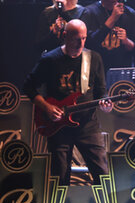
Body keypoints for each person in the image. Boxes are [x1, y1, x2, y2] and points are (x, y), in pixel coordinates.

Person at [23, 19, 113, 185]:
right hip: (58, 127)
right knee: (60, 178)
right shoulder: (50, 60)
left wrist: (106, 104)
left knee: (104, 175)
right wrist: (47, 107)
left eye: (84, 38)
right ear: (65, 36)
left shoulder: (94, 58)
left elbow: (101, 92)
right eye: (76, 39)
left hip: (88, 126)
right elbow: (28, 87)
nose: (81, 43)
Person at [81, 0, 135, 72]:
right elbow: (89, 44)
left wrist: (126, 41)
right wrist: (112, 19)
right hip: (97, 69)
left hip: (121, 70)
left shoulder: (130, 13)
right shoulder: (88, 12)